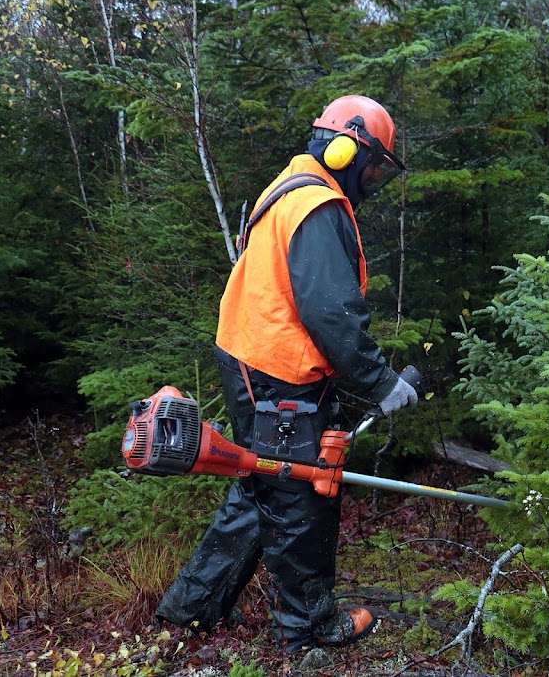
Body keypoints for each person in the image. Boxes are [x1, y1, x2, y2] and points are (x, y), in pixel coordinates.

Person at [155, 95, 418, 653]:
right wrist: (381, 383)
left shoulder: (292, 189)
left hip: (257, 362)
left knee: (263, 488)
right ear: (347, 148)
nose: (373, 179)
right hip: (277, 372)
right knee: (302, 496)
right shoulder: (316, 206)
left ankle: (189, 611)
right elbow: (330, 312)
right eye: (373, 166)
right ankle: (308, 628)